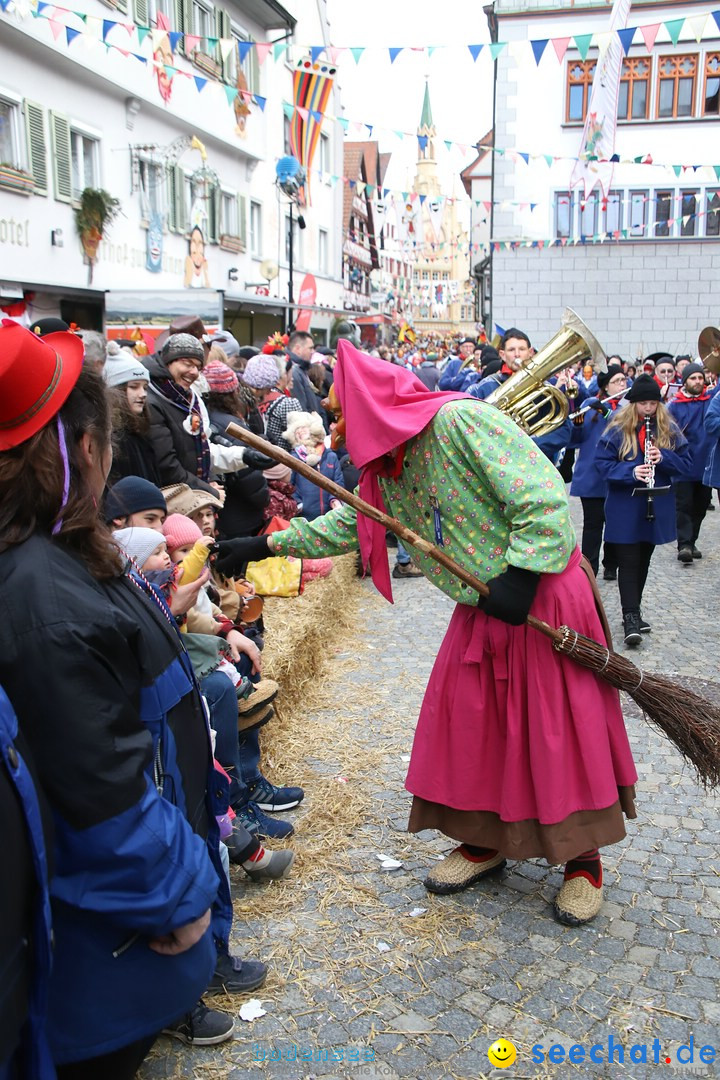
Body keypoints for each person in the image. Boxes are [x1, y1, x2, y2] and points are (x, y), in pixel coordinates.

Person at [215, 342, 638, 928]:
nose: (334, 426)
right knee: (473, 720)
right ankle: (484, 840)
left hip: (541, 597)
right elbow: (351, 521)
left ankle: (582, 859)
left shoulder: (462, 421)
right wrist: (266, 543)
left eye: (339, 413)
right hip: (485, 606)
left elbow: (541, 496)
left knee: (555, 726)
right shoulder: (389, 463)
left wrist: (519, 576)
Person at [0, 320, 233, 1073]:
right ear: (77, 452)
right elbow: (97, 778)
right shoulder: (41, 592)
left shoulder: (58, 552)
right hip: (106, 935)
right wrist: (178, 894)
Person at [595, 374, 692, 646]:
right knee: (628, 562)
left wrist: (665, 457)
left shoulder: (667, 429)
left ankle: (634, 610)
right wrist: (630, 470)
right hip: (624, 506)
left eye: (652, 404)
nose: (648, 409)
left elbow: (686, 464)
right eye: (643, 404)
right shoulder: (617, 429)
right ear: (633, 404)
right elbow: (601, 465)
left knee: (644, 560)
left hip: (654, 506)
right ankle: (630, 617)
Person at [568, 364, 627, 579]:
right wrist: (576, 425)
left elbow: (625, 429)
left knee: (614, 520)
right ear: (605, 386)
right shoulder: (589, 404)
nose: (622, 384)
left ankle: (611, 564)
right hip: (592, 474)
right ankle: (589, 567)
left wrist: (608, 412)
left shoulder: (627, 406)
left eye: (623, 380)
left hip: (617, 473)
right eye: (617, 381)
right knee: (593, 524)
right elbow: (575, 441)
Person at [668, 362, 716, 562]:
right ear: (684, 381)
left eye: (699, 377)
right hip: (684, 465)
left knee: (701, 504)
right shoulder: (675, 405)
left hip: (705, 464)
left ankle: (692, 540)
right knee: (684, 505)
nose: (698, 381)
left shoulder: (710, 400)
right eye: (693, 378)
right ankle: (684, 544)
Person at [105, 343, 161, 485]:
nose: (142, 394)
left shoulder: (140, 433)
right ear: (115, 390)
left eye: (145, 387)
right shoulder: (112, 439)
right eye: (134, 387)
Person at [286, 331, 324, 416]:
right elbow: (301, 409)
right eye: (310, 348)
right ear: (298, 348)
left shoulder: (300, 369)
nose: (313, 351)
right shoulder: (294, 372)